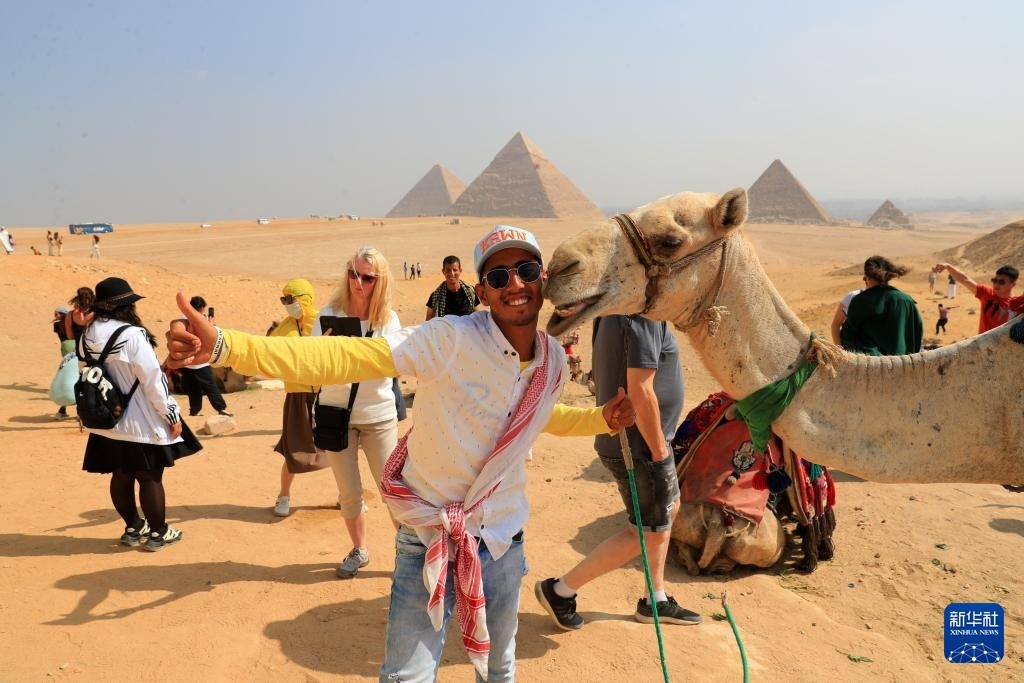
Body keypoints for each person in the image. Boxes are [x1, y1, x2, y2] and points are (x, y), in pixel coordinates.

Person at [165, 224, 636, 681]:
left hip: (501, 540)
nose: (514, 284)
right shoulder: (449, 339)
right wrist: (226, 346)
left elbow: (539, 416)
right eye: (498, 276)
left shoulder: (552, 361)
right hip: (427, 535)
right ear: (482, 291)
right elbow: (344, 356)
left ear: (543, 280)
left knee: (500, 669)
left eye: (526, 271)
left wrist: (601, 419)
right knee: (406, 675)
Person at [536, 314, 700, 632]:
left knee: (664, 514)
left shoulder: (617, 313)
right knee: (647, 532)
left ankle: (655, 597)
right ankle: (560, 591)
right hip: (640, 447)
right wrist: (659, 452)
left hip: (637, 443)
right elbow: (640, 390)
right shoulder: (641, 314)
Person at [81, 277, 202, 551]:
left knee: (120, 475)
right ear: (126, 306)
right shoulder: (132, 335)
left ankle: (133, 527)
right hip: (139, 420)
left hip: (106, 419)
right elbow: (152, 380)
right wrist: (171, 414)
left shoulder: (88, 333)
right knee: (149, 477)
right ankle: (159, 533)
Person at [313, 246, 401, 578]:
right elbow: (312, 367)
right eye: (353, 274)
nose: (358, 283)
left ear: (380, 281)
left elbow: (394, 366)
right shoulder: (329, 314)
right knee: (349, 492)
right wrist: (325, 350)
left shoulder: (388, 320)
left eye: (367, 277)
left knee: (393, 491)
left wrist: (355, 356)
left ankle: (409, 557)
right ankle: (359, 549)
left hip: (378, 417)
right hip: (336, 415)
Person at [269, 278, 325, 517]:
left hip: (326, 395)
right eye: (284, 299)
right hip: (297, 398)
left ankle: (349, 496)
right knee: (293, 450)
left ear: (305, 299)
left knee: (339, 450)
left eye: (290, 299)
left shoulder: (324, 322)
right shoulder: (283, 330)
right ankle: (284, 495)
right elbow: (269, 354)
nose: (287, 304)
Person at [840, 255, 923, 355]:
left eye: (864, 279)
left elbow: (847, 336)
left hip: (869, 363)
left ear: (868, 278)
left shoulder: (861, 300)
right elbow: (917, 336)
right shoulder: (907, 301)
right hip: (904, 362)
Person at [933, 263, 1024, 334]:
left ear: (1013, 285)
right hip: (981, 346)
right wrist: (948, 266)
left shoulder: (1017, 305)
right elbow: (965, 279)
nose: (996, 284)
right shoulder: (987, 293)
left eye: (1001, 282)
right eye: (995, 280)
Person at [179, 296, 231, 418]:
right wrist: (211, 323)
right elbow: (210, 334)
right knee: (210, 386)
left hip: (186, 360)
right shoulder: (201, 319)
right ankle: (221, 408)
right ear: (202, 308)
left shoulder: (182, 317)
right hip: (200, 361)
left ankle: (194, 410)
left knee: (192, 387)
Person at [425, 255, 480, 320]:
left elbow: (477, 317)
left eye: (455, 270)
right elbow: (428, 322)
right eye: (448, 270)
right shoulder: (435, 297)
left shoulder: (471, 292)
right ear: (443, 271)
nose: (452, 273)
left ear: (460, 271)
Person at [52, 305, 74, 420]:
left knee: (68, 374)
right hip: (73, 347)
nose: (55, 316)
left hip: (65, 349)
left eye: (57, 314)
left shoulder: (57, 325)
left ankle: (62, 410)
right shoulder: (71, 323)